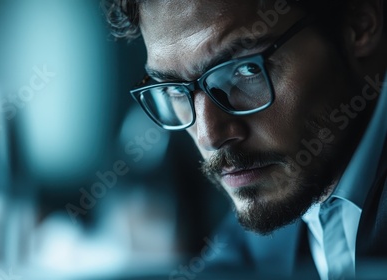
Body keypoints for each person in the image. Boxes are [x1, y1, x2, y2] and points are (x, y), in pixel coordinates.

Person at [104, 0, 387, 279]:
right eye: (175, 92)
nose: (209, 136)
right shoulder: (272, 207)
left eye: (246, 70)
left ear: (359, 24)